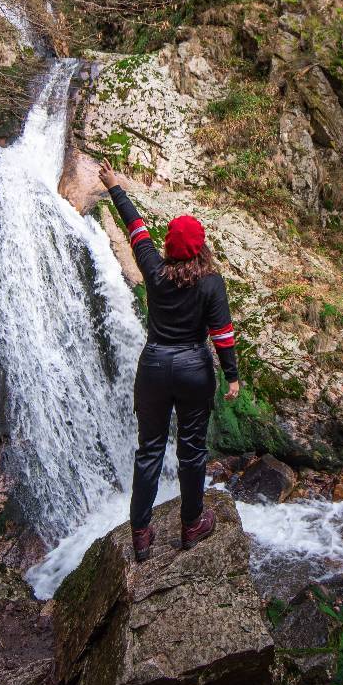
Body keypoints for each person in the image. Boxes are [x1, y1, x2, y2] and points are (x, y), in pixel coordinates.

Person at [98, 158, 240, 562]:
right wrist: (231, 377)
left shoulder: (154, 270)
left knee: (149, 450)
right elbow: (223, 335)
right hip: (195, 369)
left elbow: (136, 228)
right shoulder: (211, 283)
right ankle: (191, 525)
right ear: (201, 247)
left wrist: (114, 186)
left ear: (169, 247)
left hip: (155, 366)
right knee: (192, 451)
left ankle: (141, 536)